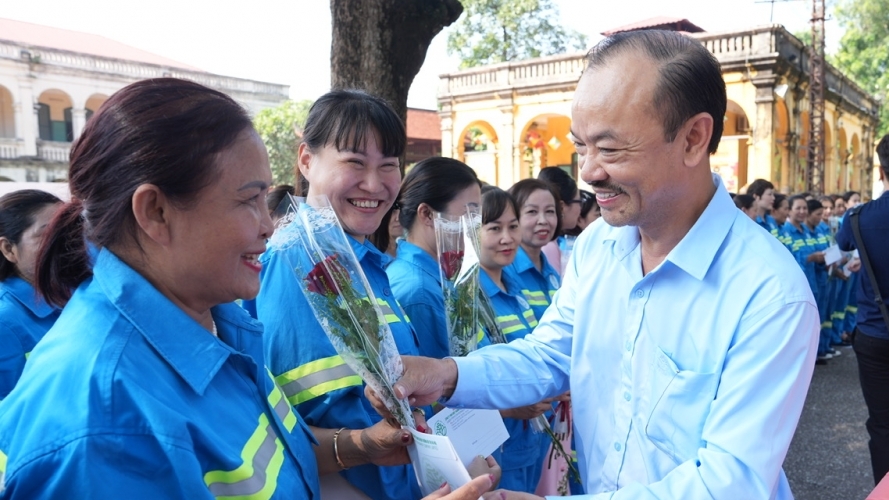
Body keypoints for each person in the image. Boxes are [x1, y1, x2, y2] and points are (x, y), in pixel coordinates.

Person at [370, 30, 818, 499]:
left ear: (693, 138)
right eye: (581, 146)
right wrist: (447, 375)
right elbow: (549, 353)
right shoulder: (600, 245)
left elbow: (729, 483)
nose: (587, 171)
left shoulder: (769, 293)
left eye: (609, 148)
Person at [0, 79, 495, 500]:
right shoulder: (105, 422)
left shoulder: (216, 322)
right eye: (249, 201)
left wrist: (363, 444)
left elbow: (277, 452)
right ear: (155, 212)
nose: (268, 225)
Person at [249, 90, 497, 499]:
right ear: (306, 161)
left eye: (388, 166)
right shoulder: (297, 264)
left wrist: (454, 462)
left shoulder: (364, 263)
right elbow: (299, 416)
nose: (374, 183)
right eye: (354, 162)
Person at [475, 186, 552, 493]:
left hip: (531, 441)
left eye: (512, 226)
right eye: (494, 228)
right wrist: (511, 407)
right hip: (497, 451)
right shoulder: (468, 299)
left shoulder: (516, 286)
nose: (507, 238)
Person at [385, 157, 482, 359]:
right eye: (470, 212)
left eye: (478, 213)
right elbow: (440, 383)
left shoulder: (445, 276)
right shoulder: (418, 291)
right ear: (428, 214)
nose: (476, 224)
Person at [837, 133, 889, 485]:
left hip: (875, 333)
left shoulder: (859, 218)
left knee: (883, 424)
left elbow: (843, 244)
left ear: (882, 171)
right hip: (873, 334)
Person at [0, 190, 62, 398]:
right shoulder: (5, 322)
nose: (65, 242)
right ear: (9, 249)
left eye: (70, 230)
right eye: (47, 235)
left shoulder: (78, 295)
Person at [506, 179, 562, 322]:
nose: (543, 220)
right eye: (532, 211)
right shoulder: (505, 273)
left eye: (550, 211)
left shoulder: (551, 273)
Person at [537, 167, 581, 276]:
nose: (581, 208)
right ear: (562, 207)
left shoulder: (549, 242)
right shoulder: (548, 245)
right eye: (579, 202)